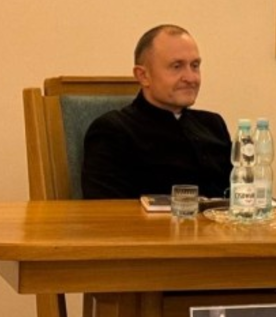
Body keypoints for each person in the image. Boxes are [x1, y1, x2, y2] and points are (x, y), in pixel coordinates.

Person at [81, 25, 232, 199]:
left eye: (195, 65)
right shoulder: (113, 131)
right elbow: (107, 210)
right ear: (143, 76)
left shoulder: (213, 124)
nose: (191, 78)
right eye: (177, 66)